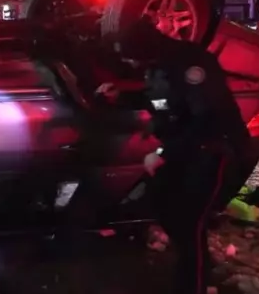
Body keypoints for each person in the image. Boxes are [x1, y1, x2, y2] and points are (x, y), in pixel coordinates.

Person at [96, 19, 250, 294]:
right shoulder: (159, 63)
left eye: (131, 57)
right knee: (168, 211)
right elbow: (159, 99)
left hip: (211, 151)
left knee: (190, 223)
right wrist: (121, 97)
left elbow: (206, 120)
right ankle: (196, 272)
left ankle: (195, 284)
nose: (131, 64)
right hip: (186, 150)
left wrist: (162, 155)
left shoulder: (191, 63)